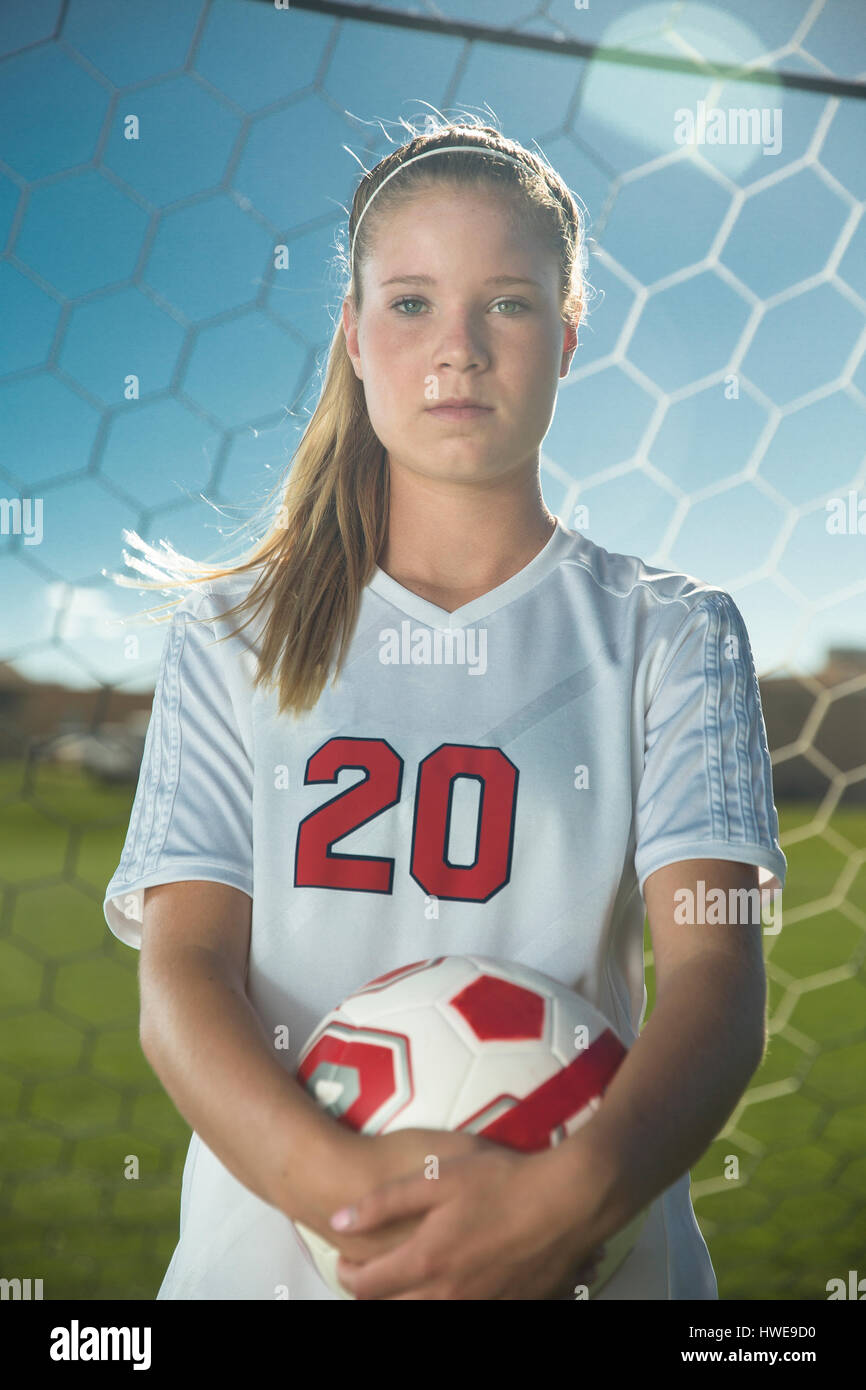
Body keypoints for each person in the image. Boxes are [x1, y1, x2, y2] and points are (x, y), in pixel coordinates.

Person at [103, 117, 787, 1300]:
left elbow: (715, 975)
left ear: (569, 339)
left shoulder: (671, 633)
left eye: (508, 304)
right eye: (410, 303)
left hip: (587, 1256)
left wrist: (562, 1202)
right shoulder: (230, 637)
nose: (456, 349)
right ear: (355, 340)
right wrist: (348, 1201)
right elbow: (184, 976)